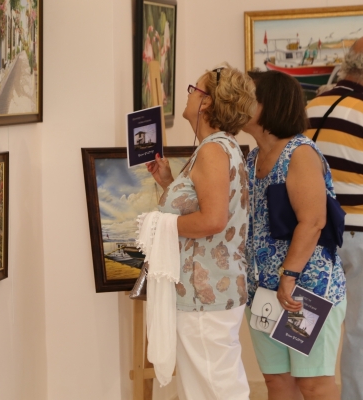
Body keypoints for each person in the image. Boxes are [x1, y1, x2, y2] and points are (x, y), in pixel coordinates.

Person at [147, 64, 256, 400]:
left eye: (194, 89)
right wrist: (168, 182)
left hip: (205, 293)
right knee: (206, 389)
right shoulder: (221, 147)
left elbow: (213, 220)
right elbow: (207, 207)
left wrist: (158, 226)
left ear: (207, 101)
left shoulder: (212, 150)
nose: (190, 94)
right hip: (208, 292)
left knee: (216, 390)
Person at [243, 70, 346, 400]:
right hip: (263, 291)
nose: (239, 103)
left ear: (269, 104)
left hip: (303, 290)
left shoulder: (299, 153)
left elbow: (312, 221)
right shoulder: (252, 157)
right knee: (277, 381)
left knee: (313, 384)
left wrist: (288, 276)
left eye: (248, 97)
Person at [304, 37, 363, 400]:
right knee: (358, 331)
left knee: (307, 330)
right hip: (358, 233)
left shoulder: (311, 107)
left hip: (311, 235)